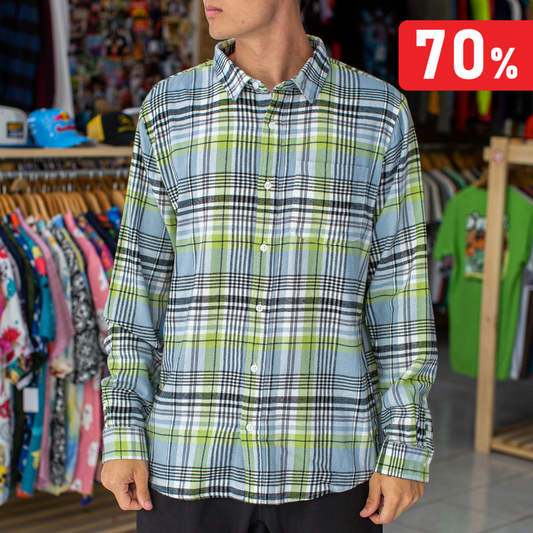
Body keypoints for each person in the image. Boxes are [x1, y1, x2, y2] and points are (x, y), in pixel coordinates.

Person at [100, 0, 438, 531]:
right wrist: (122, 430)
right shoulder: (168, 108)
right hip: (187, 458)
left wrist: (405, 446)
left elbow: (400, 293)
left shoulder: (380, 113)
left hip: (328, 462)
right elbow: (138, 284)